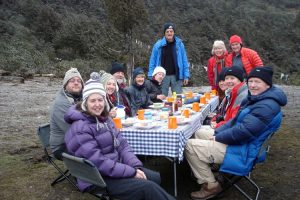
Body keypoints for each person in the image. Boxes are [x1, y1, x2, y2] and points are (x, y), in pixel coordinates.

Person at [185, 66, 287, 200]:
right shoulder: (258, 98)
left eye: (257, 82)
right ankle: (204, 170)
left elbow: (243, 132)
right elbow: (234, 122)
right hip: (241, 143)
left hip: (244, 150)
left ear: (267, 84)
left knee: (189, 145)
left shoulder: (266, 106)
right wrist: (218, 132)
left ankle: (211, 186)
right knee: (198, 132)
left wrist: (217, 138)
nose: (252, 85)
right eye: (251, 81)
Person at [64, 78, 175, 200]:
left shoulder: (105, 119)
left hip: (114, 167)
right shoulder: (81, 128)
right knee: (148, 188)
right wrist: (131, 172)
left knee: (154, 177)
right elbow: (99, 162)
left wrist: (135, 166)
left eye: (100, 100)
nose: (97, 104)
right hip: (97, 178)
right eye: (92, 101)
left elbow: (122, 145)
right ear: (85, 103)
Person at [195, 66, 248, 138]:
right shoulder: (232, 93)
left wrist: (218, 125)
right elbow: (225, 115)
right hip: (228, 129)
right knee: (197, 130)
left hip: (231, 135)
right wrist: (215, 120)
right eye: (226, 78)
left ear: (240, 80)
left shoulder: (242, 96)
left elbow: (234, 121)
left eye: (232, 78)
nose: (229, 81)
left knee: (195, 134)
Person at [49, 68, 83, 160]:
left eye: (79, 81)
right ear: (65, 85)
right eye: (72, 81)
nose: (76, 83)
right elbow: (73, 131)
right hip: (62, 145)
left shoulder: (81, 99)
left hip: (79, 138)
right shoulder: (61, 103)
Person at [148, 22, 190, 96]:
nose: (169, 33)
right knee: (161, 97)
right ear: (164, 33)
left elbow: (184, 60)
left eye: (171, 31)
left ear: (174, 33)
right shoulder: (158, 45)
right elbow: (152, 61)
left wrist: (186, 75)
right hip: (162, 76)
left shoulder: (179, 44)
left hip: (177, 75)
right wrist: (151, 75)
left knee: (178, 98)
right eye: (167, 31)